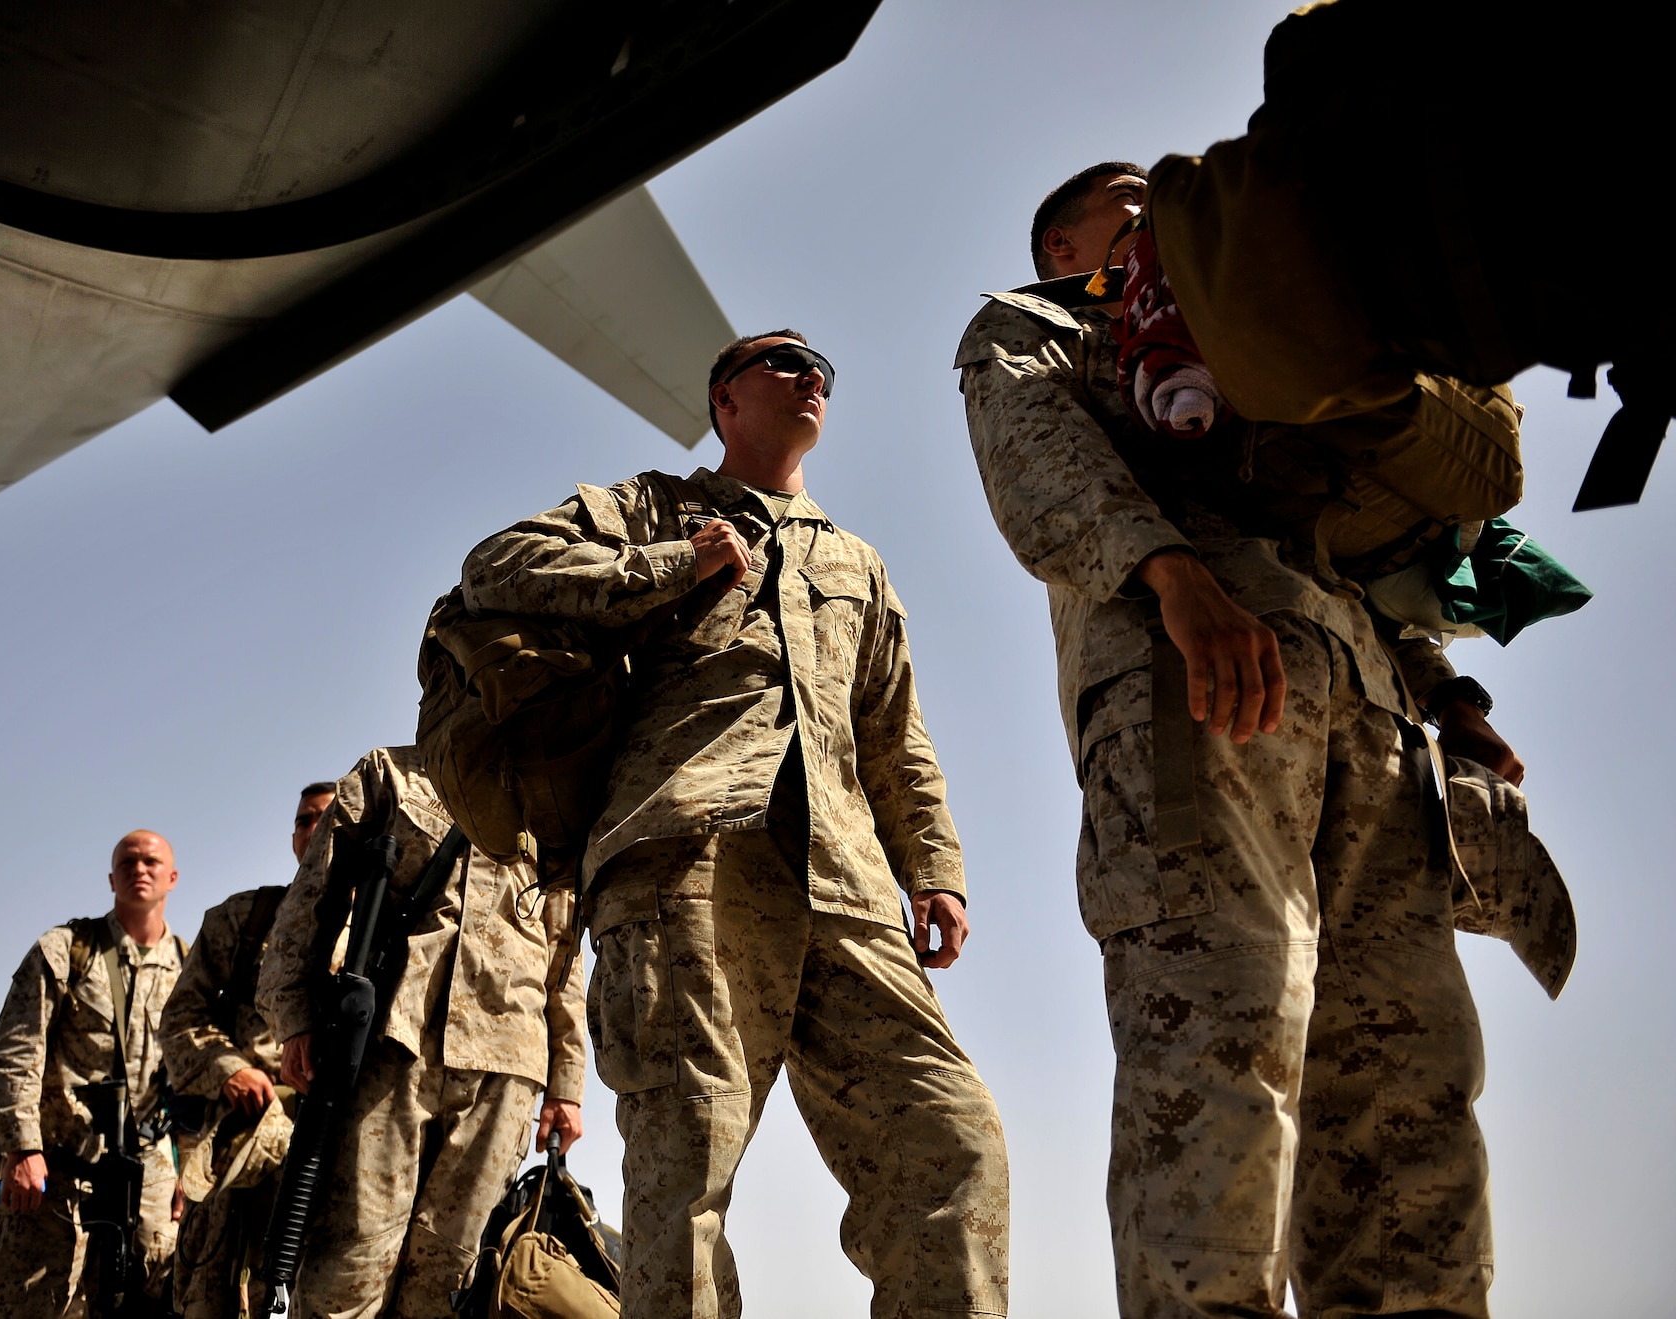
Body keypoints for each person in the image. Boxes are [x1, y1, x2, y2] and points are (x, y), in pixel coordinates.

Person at [956, 163, 1572, 1318]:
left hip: (1368, 704)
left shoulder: (1251, 330)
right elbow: (1037, 462)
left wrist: (1447, 698)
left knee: (1406, 1075)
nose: (1151, 212)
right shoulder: (1034, 322)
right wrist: (1173, 576)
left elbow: (1338, 540)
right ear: (1057, 248)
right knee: (1218, 1053)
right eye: (1124, 199)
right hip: (1193, 683)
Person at [460, 332, 1012, 1317]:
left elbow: (891, 729)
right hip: (684, 854)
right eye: (784, 363)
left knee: (950, 1140)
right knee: (686, 1169)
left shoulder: (853, 560)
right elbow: (498, 565)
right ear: (724, 401)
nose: (812, 380)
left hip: (843, 880)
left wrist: (934, 864)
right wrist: (671, 563)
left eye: (824, 374)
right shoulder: (650, 505)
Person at [255, 746, 586, 1319]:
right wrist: (295, 1018)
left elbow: (564, 954)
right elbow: (312, 899)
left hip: (508, 1066)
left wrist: (568, 1082)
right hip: (391, 1048)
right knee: (349, 1268)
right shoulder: (388, 775)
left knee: (452, 1279)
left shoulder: (549, 798)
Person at [0, 830, 189, 1318]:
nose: (140, 869)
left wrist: (188, 1168)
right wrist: (21, 1147)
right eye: (129, 862)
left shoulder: (190, 963)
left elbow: (191, 1077)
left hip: (149, 1170)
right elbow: (16, 1050)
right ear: (111, 877)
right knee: (38, 1303)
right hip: (60, 1166)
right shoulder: (67, 950)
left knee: (155, 1299)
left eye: (152, 862)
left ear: (172, 878)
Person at [160, 784, 334, 1318]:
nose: (316, 831)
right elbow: (180, 1019)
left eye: (330, 821)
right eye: (305, 821)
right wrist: (229, 1070)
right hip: (244, 1145)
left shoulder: (395, 926)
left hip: (339, 1153)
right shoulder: (244, 919)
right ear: (292, 838)